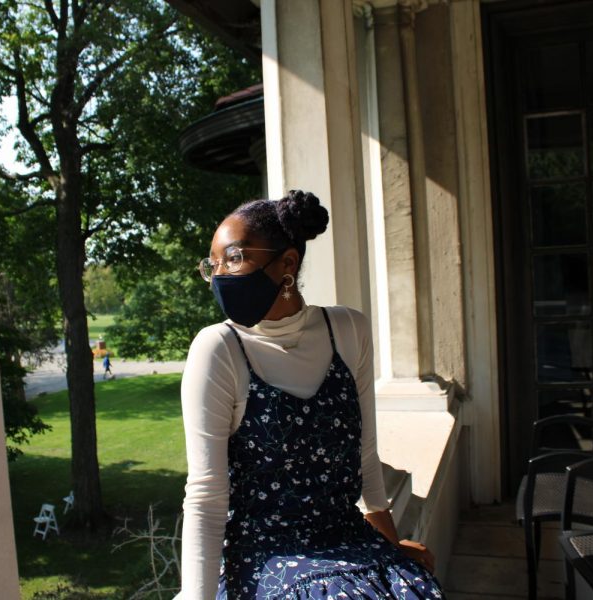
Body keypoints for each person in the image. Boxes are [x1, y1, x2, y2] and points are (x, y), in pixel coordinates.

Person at [179, 190, 445, 599]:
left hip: (347, 536)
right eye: (212, 265)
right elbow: (206, 495)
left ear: (287, 262)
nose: (219, 276)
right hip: (266, 553)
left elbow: (365, 451)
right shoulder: (219, 349)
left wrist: (390, 546)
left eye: (233, 258)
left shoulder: (347, 330)